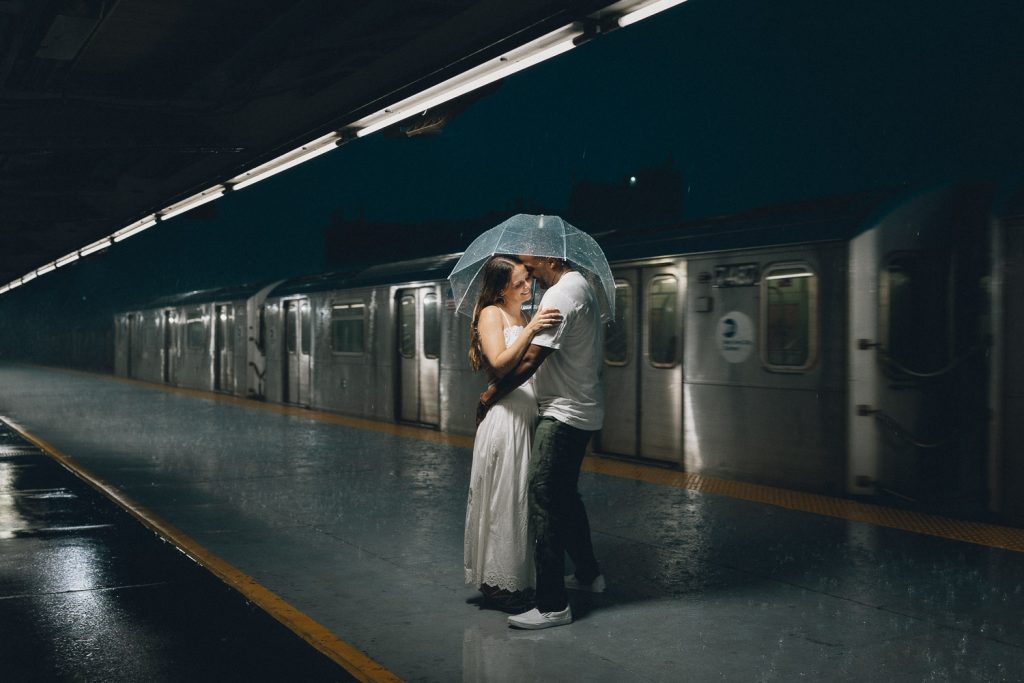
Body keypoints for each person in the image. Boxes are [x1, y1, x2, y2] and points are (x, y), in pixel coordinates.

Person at [477, 255, 605, 630]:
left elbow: (531, 360)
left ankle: (552, 605)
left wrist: (491, 393)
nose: (527, 273)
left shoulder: (560, 295)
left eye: (530, 265)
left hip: (563, 412)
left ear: (550, 257)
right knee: (564, 495)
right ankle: (587, 574)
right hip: (578, 407)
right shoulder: (579, 285)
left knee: (544, 495)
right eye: (520, 274)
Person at [464, 255, 563, 613]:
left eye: (527, 279)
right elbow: (499, 364)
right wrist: (533, 328)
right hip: (504, 418)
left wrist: (531, 325)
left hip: (525, 416)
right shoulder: (492, 314)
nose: (528, 286)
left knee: (518, 498)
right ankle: (498, 584)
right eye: (519, 281)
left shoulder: (521, 315)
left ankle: (515, 579)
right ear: (500, 286)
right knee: (503, 498)